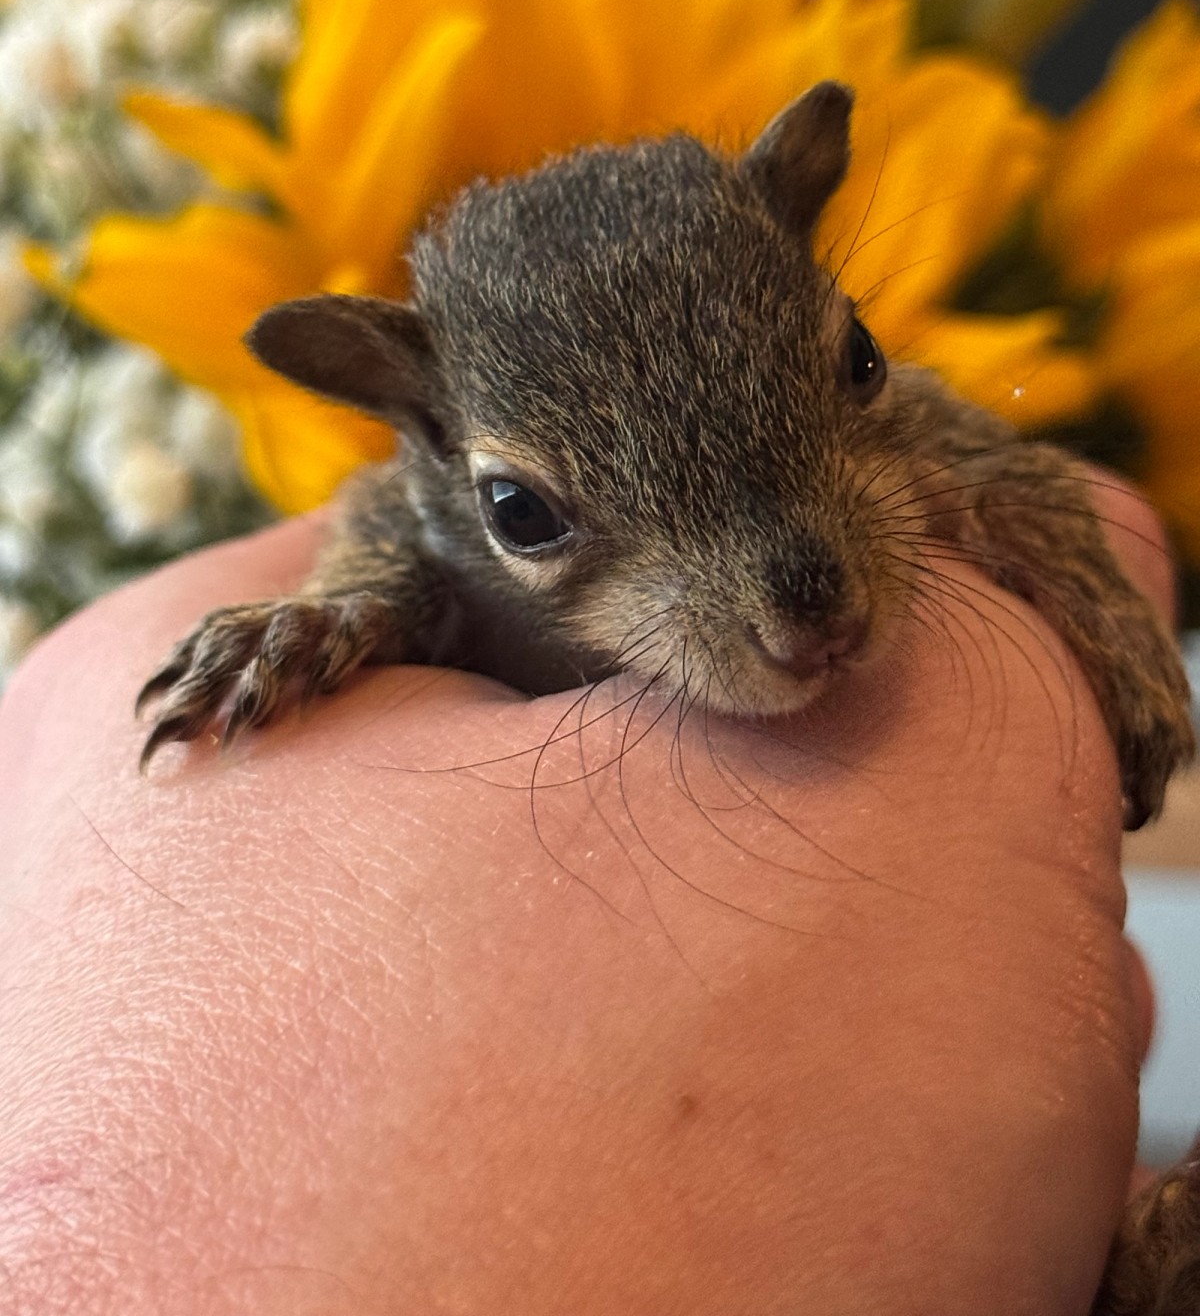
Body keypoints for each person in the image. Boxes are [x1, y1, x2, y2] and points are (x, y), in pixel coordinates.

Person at [0, 478, 1170, 1313]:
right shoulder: (430, 506)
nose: (790, 618)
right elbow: (387, 520)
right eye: (529, 508)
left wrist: (1095, 608)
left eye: (849, 369)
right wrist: (339, 606)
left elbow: (1023, 485)